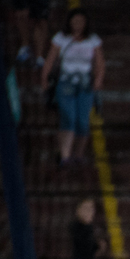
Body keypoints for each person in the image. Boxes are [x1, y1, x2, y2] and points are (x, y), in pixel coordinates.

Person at [39, 9, 103, 167]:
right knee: (68, 118)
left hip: (85, 84)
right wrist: (44, 78)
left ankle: (79, 155)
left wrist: (98, 79)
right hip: (66, 82)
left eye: (81, 22)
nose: (78, 25)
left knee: (82, 121)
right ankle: (65, 155)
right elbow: (51, 59)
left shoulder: (93, 40)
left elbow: (99, 62)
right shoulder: (61, 38)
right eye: (75, 21)